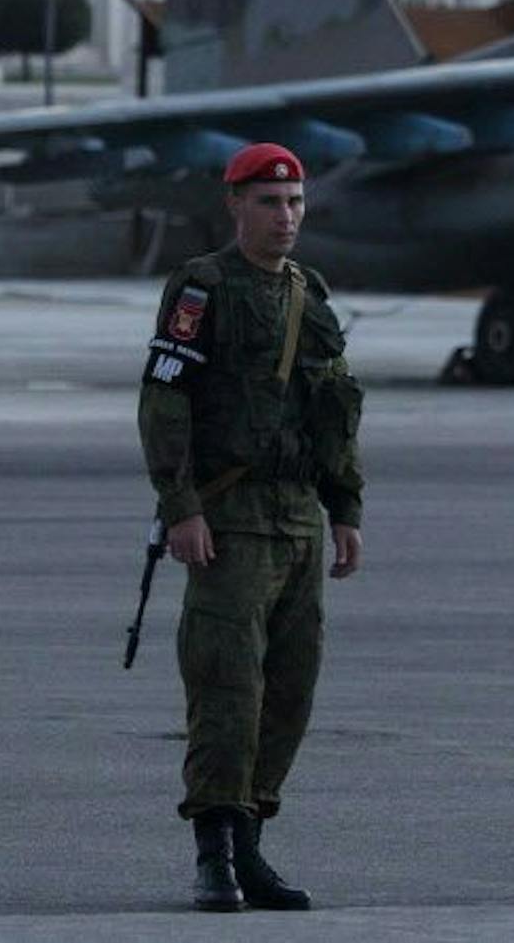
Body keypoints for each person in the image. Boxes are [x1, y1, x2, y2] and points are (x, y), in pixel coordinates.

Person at [137, 142, 365, 912]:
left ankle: (253, 843)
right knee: (226, 686)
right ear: (235, 204)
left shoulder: (312, 291)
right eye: (269, 201)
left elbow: (333, 411)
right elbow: (164, 402)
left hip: (298, 517)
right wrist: (183, 507)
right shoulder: (202, 287)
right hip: (228, 520)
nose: (286, 216)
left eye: (296, 201)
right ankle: (214, 851)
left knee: (289, 692)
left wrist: (346, 509)